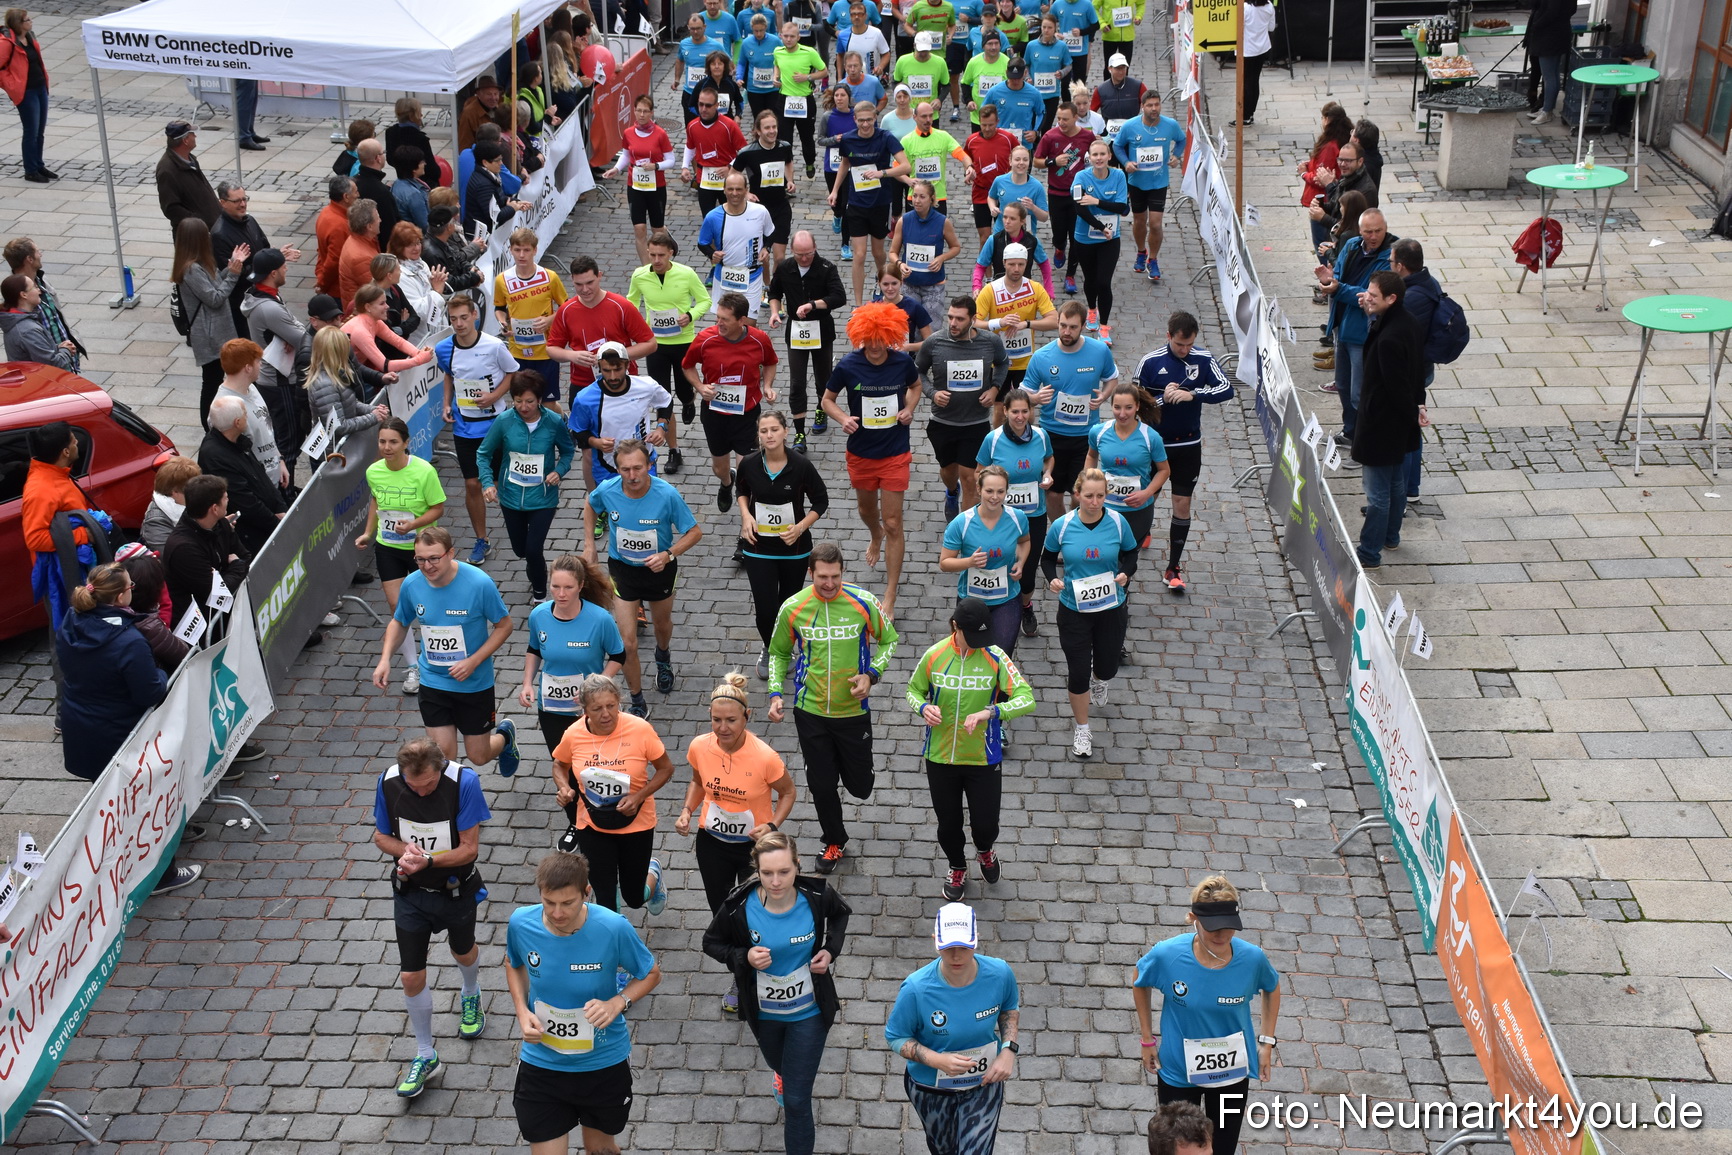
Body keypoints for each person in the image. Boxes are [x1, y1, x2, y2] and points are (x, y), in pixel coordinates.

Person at [55, 563, 203, 893]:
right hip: (121, 735)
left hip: (83, 728)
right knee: (141, 805)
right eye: (130, 585)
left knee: (109, 804)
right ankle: (160, 875)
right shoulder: (129, 642)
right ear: (123, 595)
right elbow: (151, 691)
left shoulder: (71, 623)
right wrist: (164, 676)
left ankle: (117, 863)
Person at [505, 852, 661, 1155]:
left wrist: (618, 1002)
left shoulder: (613, 928)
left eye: (567, 903)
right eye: (549, 903)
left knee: (600, 1149)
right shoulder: (522, 923)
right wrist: (522, 1011)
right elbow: (514, 964)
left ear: (586, 893)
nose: (557, 912)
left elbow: (651, 974)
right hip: (543, 1064)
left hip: (602, 1063)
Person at [702, 831, 848, 1153]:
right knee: (776, 1061)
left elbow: (839, 914)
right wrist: (744, 957)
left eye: (784, 871)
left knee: (796, 1101)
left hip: (809, 1011)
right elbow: (711, 943)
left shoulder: (816, 895)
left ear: (797, 866)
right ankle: (782, 1071)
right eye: (767, 873)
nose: (776, 881)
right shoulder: (739, 905)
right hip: (764, 1014)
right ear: (756, 870)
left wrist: (830, 950)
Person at [766, 542, 899, 873]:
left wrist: (872, 675)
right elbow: (778, 653)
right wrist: (774, 693)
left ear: (843, 573)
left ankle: (844, 767)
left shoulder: (864, 603)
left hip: (853, 712)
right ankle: (834, 840)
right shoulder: (793, 607)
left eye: (835, 577)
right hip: (810, 712)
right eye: (822, 577)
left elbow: (890, 639)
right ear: (811, 573)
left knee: (861, 787)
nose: (829, 584)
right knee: (822, 785)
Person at [373, 737, 491, 1099]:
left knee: (463, 951)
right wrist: (404, 852)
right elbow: (381, 836)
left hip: (455, 891)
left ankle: (470, 992)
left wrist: (429, 860)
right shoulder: (389, 781)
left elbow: (470, 848)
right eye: (414, 786)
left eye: (428, 785)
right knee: (410, 976)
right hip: (410, 893)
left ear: (440, 769)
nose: (421, 793)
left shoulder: (464, 783)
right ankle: (426, 1055)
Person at [1132, 876, 1282, 1155]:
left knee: (1222, 1148)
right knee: (1176, 1148)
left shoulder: (1252, 959)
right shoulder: (1168, 955)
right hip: (1178, 1072)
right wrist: (1147, 1040)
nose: (1222, 935)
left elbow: (1272, 988)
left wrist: (1267, 1043)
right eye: (1213, 927)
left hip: (1231, 1075)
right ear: (1192, 918)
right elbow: (1139, 981)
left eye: (1229, 927)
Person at [907, 597, 1035, 898]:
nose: (979, 644)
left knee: (986, 824)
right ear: (955, 627)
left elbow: (1027, 698)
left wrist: (991, 712)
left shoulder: (995, 657)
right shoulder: (934, 655)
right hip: (940, 757)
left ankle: (985, 849)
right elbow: (912, 690)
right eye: (972, 636)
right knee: (948, 824)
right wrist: (923, 707)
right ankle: (957, 866)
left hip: (983, 758)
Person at [372, 526, 521, 775]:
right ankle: (453, 810)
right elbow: (400, 621)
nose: (427, 566)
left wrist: (473, 661)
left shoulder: (479, 583)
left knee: (478, 755)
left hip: (473, 682)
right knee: (444, 758)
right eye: (420, 559)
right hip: (434, 680)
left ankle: (505, 738)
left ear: (450, 553)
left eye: (434, 558)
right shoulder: (412, 584)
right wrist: (385, 658)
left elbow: (504, 626)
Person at [886, 903, 1021, 1153]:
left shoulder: (1000, 973)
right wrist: (938, 1060)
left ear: (976, 939)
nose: (956, 955)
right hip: (932, 1089)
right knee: (944, 1149)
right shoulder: (916, 989)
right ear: (935, 941)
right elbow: (896, 1037)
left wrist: (1008, 1050)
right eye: (948, 947)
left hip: (983, 1084)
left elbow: (1009, 1008)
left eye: (964, 946)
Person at [582, 440, 703, 714]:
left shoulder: (666, 494)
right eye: (625, 469)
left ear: (649, 465)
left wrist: (668, 555)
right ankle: (637, 699)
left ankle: (663, 656)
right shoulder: (609, 490)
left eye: (638, 468)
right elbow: (590, 505)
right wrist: (590, 544)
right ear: (617, 468)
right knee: (627, 642)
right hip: (623, 570)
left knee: (662, 625)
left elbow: (694, 532)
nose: (632, 475)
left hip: (659, 571)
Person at [677, 674, 796, 943]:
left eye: (731, 720)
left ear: (747, 716)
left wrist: (773, 825)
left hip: (753, 847)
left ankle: (751, 964)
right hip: (712, 842)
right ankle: (739, 961)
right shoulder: (699, 746)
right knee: (721, 910)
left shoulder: (765, 757)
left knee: (752, 910)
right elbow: (697, 783)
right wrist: (687, 811)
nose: (723, 728)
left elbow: (788, 792)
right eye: (716, 720)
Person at [822, 302, 921, 618]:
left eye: (882, 340)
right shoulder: (848, 365)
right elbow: (827, 400)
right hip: (861, 453)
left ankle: (889, 595)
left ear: (890, 337)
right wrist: (842, 418)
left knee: (893, 521)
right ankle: (874, 534)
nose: (876, 347)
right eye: (870, 340)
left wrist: (909, 409)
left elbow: (916, 386)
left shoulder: (902, 362)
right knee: (866, 509)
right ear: (861, 337)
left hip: (895, 452)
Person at [548, 675, 675, 912]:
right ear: (584, 709)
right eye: (597, 708)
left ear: (619, 702)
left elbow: (666, 769)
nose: (606, 714)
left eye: (611, 706)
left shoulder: (640, 730)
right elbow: (559, 764)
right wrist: (564, 787)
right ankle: (614, 942)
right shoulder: (574, 734)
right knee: (605, 898)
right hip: (592, 823)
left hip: (636, 823)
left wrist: (639, 796)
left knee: (635, 898)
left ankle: (654, 874)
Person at [1131, 312, 1231, 593]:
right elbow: (1132, 401)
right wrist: (1164, 397)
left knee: (1182, 505)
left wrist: (1193, 394)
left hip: (1188, 445)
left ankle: (1173, 567)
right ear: (1168, 336)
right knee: (1147, 499)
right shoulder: (1151, 362)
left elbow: (1227, 389)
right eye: (1179, 345)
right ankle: (1140, 538)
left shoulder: (1203, 359)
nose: (1184, 350)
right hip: (1156, 445)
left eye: (1189, 345)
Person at [1042, 468, 1136, 759]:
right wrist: (1052, 579)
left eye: (1100, 496)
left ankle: (1100, 679)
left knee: (1107, 667)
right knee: (1078, 672)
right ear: (1077, 494)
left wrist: (1125, 573)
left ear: (1105, 496)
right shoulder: (1063, 525)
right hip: (1074, 610)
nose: (1094, 502)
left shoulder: (1119, 523)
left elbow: (1131, 553)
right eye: (1089, 496)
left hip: (1111, 608)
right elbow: (1047, 558)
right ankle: (1082, 728)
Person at [358, 418, 448, 693]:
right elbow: (375, 500)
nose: (387, 447)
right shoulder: (374, 471)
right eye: (382, 441)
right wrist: (368, 532)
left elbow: (438, 508)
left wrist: (413, 525)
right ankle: (413, 666)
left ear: (406, 443)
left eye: (393, 442)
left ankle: (442, 654)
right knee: (399, 609)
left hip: (423, 549)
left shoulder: (423, 471)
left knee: (433, 605)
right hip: (388, 547)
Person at [737, 410, 828, 675]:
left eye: (774, 429)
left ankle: (787, 645)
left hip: (794, 551)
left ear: (786, 432)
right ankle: (771, 648)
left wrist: (800, 528)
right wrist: (745, 516)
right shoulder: (750, 463)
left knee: (788, 606)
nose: (769, 435)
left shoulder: (800, 466)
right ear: (759, 435)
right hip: (758, 548)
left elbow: (821, 501)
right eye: (764, 431)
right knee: (766, 608)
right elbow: (741, 491)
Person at [683, 292, 780, 531]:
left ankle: (746, 529)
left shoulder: (759, 339)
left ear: (742, 320)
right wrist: (699, 386)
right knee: (720, 468)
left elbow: (770, 362)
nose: (719, 324)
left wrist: (767, 386)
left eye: (725, 319)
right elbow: (687, 366)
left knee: (749, 469)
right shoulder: (705, 339)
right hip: (714, 414)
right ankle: (727, 483)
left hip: (747, 414)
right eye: (718, 318)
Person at [434, 294, 519, 566]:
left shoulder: (494, 346)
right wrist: (447, 403)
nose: (459, 324)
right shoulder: (444, 348)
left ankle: (521, 526)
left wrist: (494, 396)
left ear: (474, 316)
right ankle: (481, 538)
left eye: (463, 317)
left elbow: (512, 373)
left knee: (498, 483)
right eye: (453, 319)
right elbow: (449, 374)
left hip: (497, 425)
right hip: (465, 427)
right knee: (472, 484)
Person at [476, 373, 577, 600]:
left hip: (543, 497)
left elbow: (569, 451)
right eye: (518, 401)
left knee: (533, 550)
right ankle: (535, 570)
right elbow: (483, 453)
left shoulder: (553, 421)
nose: (523, 406)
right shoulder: (504, 421)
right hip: (510, 497)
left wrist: (558, 471)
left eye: (529, 401)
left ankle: (540, 594)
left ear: (540, 400)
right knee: (521, 550)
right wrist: (487, 483)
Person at [1353, 271, 1426, 572]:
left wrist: (1412, 410)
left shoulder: (1389, 339)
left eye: (1373, 296)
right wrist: (1417, 406)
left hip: (1381, 424)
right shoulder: (1406, 321)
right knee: (1396, 483)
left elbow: (1395, 386)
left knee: (1378, 494)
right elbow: (1418, 369)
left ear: (1391, 298)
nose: (1367, 298)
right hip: (1399, 423)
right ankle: (1391, 537)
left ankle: (1369, 552)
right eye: (1368, 292)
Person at [520, 554, 625, 750]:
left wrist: (595, 689)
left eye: (568, 587)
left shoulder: (600, 619)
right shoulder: (538, 615)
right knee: (561, 760)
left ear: (581, 585)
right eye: (555, 586)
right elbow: (534, 649)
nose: (561, 594)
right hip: (551, 706)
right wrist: (527, 683)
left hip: (588, 709)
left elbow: (618, 656)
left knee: (589, 764)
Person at [918, 295, 1010, 516]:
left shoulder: (990, 341)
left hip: (976, 422)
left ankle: (965, 527)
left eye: (959, 319)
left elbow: (1004, 362)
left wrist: (995, 388)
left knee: (970, 478)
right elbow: (917, 371)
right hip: (943, 421)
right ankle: (951, 491)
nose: (953, 323)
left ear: (973, 319)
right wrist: (932, 392)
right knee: (948, 471)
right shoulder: (934, 342)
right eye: (950, 317)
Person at [1027, 299, 1118, 521]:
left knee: (1081, 495)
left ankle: (1075, 527)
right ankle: (1062, 533)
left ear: (1084, 326)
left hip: (1085, 437)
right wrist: (1036, 398)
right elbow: (1024, 394)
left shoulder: (1098, 351)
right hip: (1052, 436)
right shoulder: (1042, 356)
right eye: (1062, 325)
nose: (1066, 332)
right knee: (1053, 494)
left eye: (1073, 327)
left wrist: (1104, 396)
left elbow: (1112, 379)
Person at [626, 231, 707, 470]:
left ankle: (689, 399)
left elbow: (705, 300)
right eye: (652, 254)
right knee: (663, 398)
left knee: (683, 391)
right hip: (655, 345)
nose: (656, 260)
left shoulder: (686, 274)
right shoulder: (640, 275)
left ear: (671, 252)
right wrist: (637, 327)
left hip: (683, 342)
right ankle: (674, 451)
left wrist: (690, 315)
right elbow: (631, 303)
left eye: (661, 255)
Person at [976, 388, 1053, 636]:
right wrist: (992, 493)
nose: (1020, 417)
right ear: (1005, 411)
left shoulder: (1041, 436)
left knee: (1028, 570)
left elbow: (1049, 459)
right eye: (1015, 412)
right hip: (1001, 516)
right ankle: (996, 607)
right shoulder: (994, 439)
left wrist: (1048, 474)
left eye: (1025, 411)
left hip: (1033, 515)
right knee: (1000, 562)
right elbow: (979, 471)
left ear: (1031, 412)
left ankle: (1026, 605)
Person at [1316, 207, 1395, 444]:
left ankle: (1366, 440)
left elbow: (1369, 296)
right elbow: (1338, 275)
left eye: (1378, 231)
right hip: (1343, 327)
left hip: (1364, 332)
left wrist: (1338, 289)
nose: (1373, 236)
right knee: (1343, 385)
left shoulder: (1390, 256)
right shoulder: (1351, 246)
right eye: (1368, 231)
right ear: (1360, 231)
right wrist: (1329, 280)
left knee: (1360, 392)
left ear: (1386, 229)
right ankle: (1350, 431)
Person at [1086, 382, 1170, 604]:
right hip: (1105, 509)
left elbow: (1164, 471)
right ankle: (1105, 595)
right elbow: (1091, 456)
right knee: (1106, 554)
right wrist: (1089, 481)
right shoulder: (1099, 431)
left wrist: (1148, 493)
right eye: (1117, 408)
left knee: (1126, 556)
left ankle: (1121, 592)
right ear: (1110, 407)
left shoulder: (1150, 437)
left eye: (1128, 408)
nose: (1122, 414)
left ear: (1137, 407)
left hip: (1137, 510)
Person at [767, 230, 848, 449]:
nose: (804, 259)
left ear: (815, 249)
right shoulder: (785, 267)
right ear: (792, 251)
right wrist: (775, 312)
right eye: (800, 254)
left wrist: (813, 304)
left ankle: (822, 408)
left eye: (809, 254)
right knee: (797, 382)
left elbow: (839, 297)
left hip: (821, 329)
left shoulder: (826, 268)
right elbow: (774, 293)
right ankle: (800, 433)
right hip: (796, 331)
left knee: (824, 378)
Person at [547, 255, 657, 410]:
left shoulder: (621, 306)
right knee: (585, 432)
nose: (585, 290)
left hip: (622, 381)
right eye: (579, 284)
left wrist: (615, 356)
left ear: (599, 276)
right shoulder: (566, 311)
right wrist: (572, 355)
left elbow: (650, 344)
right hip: (583, 383)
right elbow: (551, 348)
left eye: (590, 283)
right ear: (571, 279)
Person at [830, 100, 912, 306]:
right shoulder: (848, 139)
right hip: (857, 204)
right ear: (855, 120)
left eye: (869, 120)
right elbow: (845, 164)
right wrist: (835, 191)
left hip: (880, 203)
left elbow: (905, 166)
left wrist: (882, 173)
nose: (865, 125)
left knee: (877, 252)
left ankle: (882, 286)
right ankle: (858, 304)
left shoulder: (885, 137)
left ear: (875, 118)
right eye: (861, 121)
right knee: (859, 254)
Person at [569, 341, 674, 485]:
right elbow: (578, 430)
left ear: (627, 365)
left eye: (618, 369)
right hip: (607, 468)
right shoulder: (585, 398)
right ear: (599, 368)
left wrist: (662, 427)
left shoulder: (646, 386)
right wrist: (595, 442)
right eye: (606, 370)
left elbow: (666, 402)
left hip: (643, 464)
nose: (612, 377)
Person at [171, 219, 246, 419]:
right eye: (206, 235)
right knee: (212, 382)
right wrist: (234, 275)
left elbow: (215, 284)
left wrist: (231, 267)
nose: (210, 238)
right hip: (210, 335)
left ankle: (222, 417)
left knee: (216, 379)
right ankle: (209, 424)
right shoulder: (191, 269)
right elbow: (215, 298)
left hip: (216, 332)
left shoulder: (200, 264)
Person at [161, 473, 249, 635]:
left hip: (222, 617)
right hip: (199, 627)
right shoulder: (183, 549)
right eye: (225, 498)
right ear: (214, 509)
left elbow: (245, 556)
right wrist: (236, 566)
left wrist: (230, 572)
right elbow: (217, 594)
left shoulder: (220, 523)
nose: (228, 501)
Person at [1112, 89, 1185, 282]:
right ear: (1142, 107)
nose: (1154, 109)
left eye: (1157, 104)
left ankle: (1152, 259)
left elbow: (1182, 139)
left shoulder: (1170, 125)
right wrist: (1126, 162)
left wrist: (1176, 156)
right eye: (1150, 105)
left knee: (1155, 223)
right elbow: (1117, 146)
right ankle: (1141, 251)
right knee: (1138, 221)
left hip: (1158, 181)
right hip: (1136, 182)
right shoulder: (1130, 126)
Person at [198, 394, 286, 555]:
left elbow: (260, 475)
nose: (248, 416)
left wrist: (280, 506)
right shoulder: (215, 457)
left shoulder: (237, 440)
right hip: (253, 536)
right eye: (245, 413)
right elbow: (245, 502)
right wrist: (277, 524)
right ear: (237, 423)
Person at [212, 183, 301, 337]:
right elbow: (231, 275)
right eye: (237, 201)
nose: (243, 204)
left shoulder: (250, 221)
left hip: (263, 292)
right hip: (243, 302)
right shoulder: (220, 234)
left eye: (244, 199)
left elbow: (264, 248)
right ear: (223, 203)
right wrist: (263, 267)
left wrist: (277, 255)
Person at [492, 228, 568, 408]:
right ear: (510, 250)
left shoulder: (550, 277)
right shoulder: (502, 280)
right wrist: (502, 322)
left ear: (535, 250)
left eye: (526, 250)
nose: (521, 255)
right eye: (517, 250)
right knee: (523, 403)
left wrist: (549, 320)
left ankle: (561, 423)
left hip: (546, 350)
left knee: (548, 403)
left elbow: (567, 308)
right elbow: (499, 308)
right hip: (518, 351)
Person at [973, 242, 1058, 398]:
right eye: (1012, 264)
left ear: (1026, 264)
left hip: (1025, 361)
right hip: (997, 360)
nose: (1017, 269)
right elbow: (973, 324)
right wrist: (999, 323)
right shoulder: (990, 290)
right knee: (999, 408)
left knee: (1027, 405)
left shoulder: (1035, 288)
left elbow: (1054, 321)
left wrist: (1026, 324)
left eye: (1021, 264)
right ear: (1004, 263)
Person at [601, 95, 677, 267]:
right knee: (639, 228)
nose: (642, 115)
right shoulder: (628, 133)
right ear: (634, 111)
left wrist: (656, 166)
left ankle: (663, 257)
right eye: (639, 111)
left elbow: (671, 160)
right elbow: (627, 154)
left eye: (645, 111)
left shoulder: (660, 134)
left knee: (657, 231)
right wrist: (616, 169)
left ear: (652, 113)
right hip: (635, 185)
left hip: (656, 186)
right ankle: (646, 268)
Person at [1390, 238, 1438, 502]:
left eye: (1391, 261)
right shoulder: (1426, 283)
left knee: (1406, 430)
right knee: (1411, 428)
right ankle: (1410, 489)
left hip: (1411, 374)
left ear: (1400, 266)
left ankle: (1405, 489)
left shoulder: (1410, 298)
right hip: (1419, 369)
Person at [211, 339, 289, 498]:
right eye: (258, 362)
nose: (261, 365)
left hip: (274, 479)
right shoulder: (225, 408)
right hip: (259, 490)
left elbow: (266, 430)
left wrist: (279, 459)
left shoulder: (251, 387)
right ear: (247, 368)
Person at [1067, 138, 1126, 345]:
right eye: (1095, 155)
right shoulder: (1081, 177)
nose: (1099, 158)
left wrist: (1096, 201)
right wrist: (1101, 227)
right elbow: (1079, 208)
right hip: (1085, 238)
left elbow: (1122, 208)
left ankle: (1104, 327)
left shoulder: (1118, 175)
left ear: (1109, 156)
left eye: (1103, 154)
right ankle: (1091, 310)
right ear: (1089, 158)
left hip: (1111, 239)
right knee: (1090, 280)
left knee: (1104, 282)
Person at [697, 171, 777, 319]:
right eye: (730, 189)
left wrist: (766, 248)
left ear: (746, 190)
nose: (735, 193)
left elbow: (771, 232)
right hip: (724, 276)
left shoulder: (760, 211)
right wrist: (711, 254)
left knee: (749, 324)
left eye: (739, 189)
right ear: (724, 190)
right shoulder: (713, 216)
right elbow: (702, 243)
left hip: (752, 275)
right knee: (724, 323)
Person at [1034, 101, 1094, 292]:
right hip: (1056, 193)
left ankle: (1070, 276)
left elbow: (1095, 157)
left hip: (1078, 194)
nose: (1061, 122)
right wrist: (1053, 161)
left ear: (1076, 118)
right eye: (1059, 118)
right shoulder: (1050, 136)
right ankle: (1059, 248)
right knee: (1059, 234)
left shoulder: (1087, 136)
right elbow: (1036, 161)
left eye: (1065, 119)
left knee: (1076, 237)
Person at [889, 179, 964, 323]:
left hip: (934, 285)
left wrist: (942, 258)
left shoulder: (942, 222)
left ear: (932, 199)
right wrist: (899, 264)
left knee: (931, 329)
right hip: (909, 284)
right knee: (908, 327)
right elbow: (892, 252)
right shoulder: (904, 221)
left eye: (922, 197)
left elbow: (956, 247)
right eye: (914, 196)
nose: (917, 200)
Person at [733, 111, 798, 271]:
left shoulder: (784, 147)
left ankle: (774, 290)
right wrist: (745, 194)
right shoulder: (747, 152)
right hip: (759, 208)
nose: (772, 131)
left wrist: (789, 180)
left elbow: (788, 163)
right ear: (758, 131)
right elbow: (733, 175)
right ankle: (764, 288)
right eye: (767, 128)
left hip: (781, 206)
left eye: (774, 127)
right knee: (763, 256)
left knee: (780, 257)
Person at [3, 237, 81, 369]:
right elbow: (45, 358)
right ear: (30, 259)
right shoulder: (18, 294)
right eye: (38, 251)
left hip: (62, 355)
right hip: (53, 364)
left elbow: (56, 318)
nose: (41, 254)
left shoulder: (41, 280)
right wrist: (63, 352)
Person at [683, 86, 750, 219]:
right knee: (708, 219)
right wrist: (685, 167)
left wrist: (730, 168)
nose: (703, 109)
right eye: (700, 104)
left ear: (717, 105)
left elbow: (744, 151)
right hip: (704, 179)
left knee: (731, 218)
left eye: (708, 105)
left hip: (727, 180)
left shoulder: (729, 125)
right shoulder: (692, 126)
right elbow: (690, 147)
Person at [0, 10, 50, 182]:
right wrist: (11, 85)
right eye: (27, 20)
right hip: (26, 92)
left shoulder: (30, 37)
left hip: (40, 87)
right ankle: (30, 170)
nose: (31, 21)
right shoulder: (7, 43)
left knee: (40, 131)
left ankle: (39, 164)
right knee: (31, 131)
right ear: (18, 24)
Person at [773, 21, 827, 176]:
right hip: (784, 99)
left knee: (806, 137)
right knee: (784, 139)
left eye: (792, 36)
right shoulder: (778, 51)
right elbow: (776, 64)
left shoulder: (809, 52)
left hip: (804, 100)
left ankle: (810, 162)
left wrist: (807, 77)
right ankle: (786, 173)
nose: (788, 39)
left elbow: (824, 72)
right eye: (786, 36)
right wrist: (775, 76)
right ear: (781, 36)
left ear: (798, 37)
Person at [1298, 102, 1353, 253]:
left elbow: (1319, 178)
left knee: (1321, 244)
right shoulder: (1343, 139)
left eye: (1322, 117)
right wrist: (1310, 164)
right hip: (1334, 197)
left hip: (1323, 200)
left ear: (1327, 119)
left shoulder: (1330, 145)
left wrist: (1304, 173)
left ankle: (1326, 274)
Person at [155, 120, 219, 237]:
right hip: (193, 235)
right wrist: (199, 222)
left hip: (209, 229)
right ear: (185, 140)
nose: (195, 136)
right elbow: (171, 208)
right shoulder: (167, 170)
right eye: (192, 134)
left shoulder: (189, 158)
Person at [463, 140, 533, 239]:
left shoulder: (489, 174)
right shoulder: (483, 184)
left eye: (501, 159)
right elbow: (495, 217)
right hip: (480, 238)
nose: (501, 163)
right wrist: (513, 208)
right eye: (497, 160)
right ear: (485, 162)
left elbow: (499, 198)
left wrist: (517, 202)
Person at [0, 273, 71, 369]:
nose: (39, 290)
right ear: (23, 294)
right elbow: (52, 365)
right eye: (34, 287)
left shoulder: (17, 321)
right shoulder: (28, 331)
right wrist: (66, 350)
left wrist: (58, 348)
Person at [985, 144, 1051, 242]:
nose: (1021, 163)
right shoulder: (999, 181)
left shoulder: (1037, 186)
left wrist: (1033, 207)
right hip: (1001, 234)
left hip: (1026, 236)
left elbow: (1044, 217)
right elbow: (991, 197)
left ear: (1029, 162)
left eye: (1025, 160)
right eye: (1017, 159)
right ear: (1010, 162)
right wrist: (993, 208)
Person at [1525, 0, 1574, 126]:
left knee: (1549, 76)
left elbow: (1551, 12)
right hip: (1556, 34)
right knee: (1553, 74)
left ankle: (1547, 112)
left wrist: (1536, 24)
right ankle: (1547, 109)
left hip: (1549, 36)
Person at [674, 15, 728, 125]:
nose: (695, 32)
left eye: (698, 28)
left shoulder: (716, 45)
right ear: (688, 27)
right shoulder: (684, 44)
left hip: (709, 95)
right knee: (691, 127)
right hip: (690, 92)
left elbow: (728, 64)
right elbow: (680, 60)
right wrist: (677, 79)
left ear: (704, 27)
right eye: (692, 29)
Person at [981, 60, 1044, 152]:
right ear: (1006, 73)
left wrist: (1035, 131)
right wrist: (989, 129)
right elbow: (983, 112)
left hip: (1024, 145)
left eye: (1018, 78)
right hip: (998, 143)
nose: (1015, 81)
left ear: (1025, 73)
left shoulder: (1034, 93)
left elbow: (1041, 113)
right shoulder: (994, 92)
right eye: (1012, 77)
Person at [141, 455, 201, 552]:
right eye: (193, 490)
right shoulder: (155, 521)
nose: (198, 493)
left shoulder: (186, 503)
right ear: (175, 492)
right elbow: (173, 557)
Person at [874, 260, 935, 352]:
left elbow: (930, 341)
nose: (890, 288)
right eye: (885, 284)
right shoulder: (872, 307)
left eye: (894, 283)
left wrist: (908, 347)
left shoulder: (913, 306)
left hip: (904, 360)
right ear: (879, 284)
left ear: (901, 282)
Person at [1232, 0, 1276, 124]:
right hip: (1262, 48)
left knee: (1246, 83)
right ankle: (1250, 113)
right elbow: (1271, 27)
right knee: (1254, 81)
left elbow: (1238, 26)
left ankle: (1245, 115)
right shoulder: (1269, 6)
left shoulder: (1245, 8)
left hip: (1247, 50)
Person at [313, 177, 357, 298]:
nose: (358, 195)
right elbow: (334, 261)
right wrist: (322, 284)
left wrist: (320, 274)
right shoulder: (340, 225)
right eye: (355, 192)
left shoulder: (326, 212)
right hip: (338, 289)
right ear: (346, 197)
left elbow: (322, 251)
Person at [353, 139, 402, 245]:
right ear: (378, 158)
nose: (384, 155)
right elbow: (389, 229)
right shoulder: (381, 192)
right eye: (383, 152)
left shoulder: (353, 184)